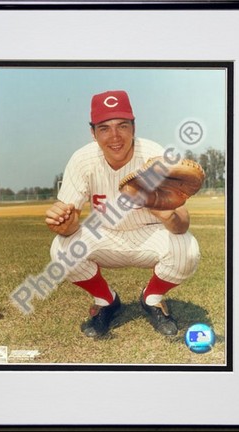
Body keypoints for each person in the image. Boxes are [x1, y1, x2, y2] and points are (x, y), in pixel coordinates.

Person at [45, 90, 200, 338]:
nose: (115, 136)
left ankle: (152, 299)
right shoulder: (82, 160)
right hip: (104, 235)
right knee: (61, 248)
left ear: (134, 127)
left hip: (149, 235)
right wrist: (65, 225)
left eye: (122, 126)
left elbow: (181, 225)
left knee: (187, 248)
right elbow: (70, 225)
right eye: (104, 128)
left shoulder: (153, 156)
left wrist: (163, 211)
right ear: (92, 132)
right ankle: (106, 301)